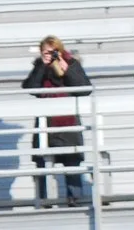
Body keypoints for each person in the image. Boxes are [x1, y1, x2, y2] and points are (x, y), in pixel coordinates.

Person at [23, 36, 91, 206]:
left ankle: (75, 199)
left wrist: (67, 69)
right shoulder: (40, 67)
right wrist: (42, 66)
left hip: (69, 124)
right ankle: (45, 201)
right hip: (46, 123)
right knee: (43, 163)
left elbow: (84, 89)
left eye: (53, 51)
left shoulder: (72, 64)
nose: (50, 55)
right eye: (46, 52)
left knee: (72, 162)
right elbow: (31, 88)